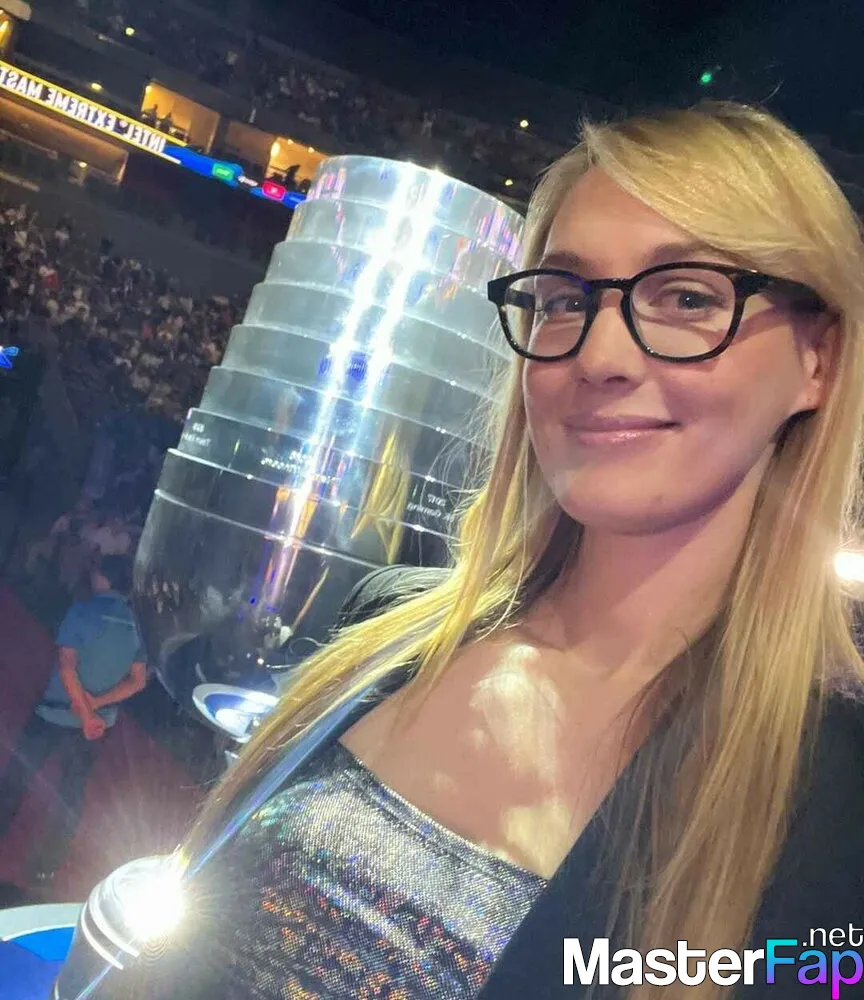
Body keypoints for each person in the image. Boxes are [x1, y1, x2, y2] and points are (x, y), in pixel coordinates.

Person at [94, 103, 864, 1000]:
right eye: (564, 300)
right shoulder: (386, 624)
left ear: (819, 358)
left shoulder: (837, 816)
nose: (599, 355)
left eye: (689, 297)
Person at [0, 555, 146, 888]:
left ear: (103, 578)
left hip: (56, 713)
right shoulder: (135, 625)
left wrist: (83, 710)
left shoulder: (82, 611)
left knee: (19, 775)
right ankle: (46, 867)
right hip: (97, 727)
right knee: (71, 792)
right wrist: (96, 707)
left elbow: (67, 668)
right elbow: (137, 681)